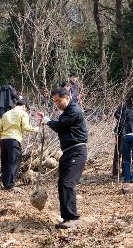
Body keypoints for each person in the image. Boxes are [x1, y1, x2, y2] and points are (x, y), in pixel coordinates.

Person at [38, 88, 87, 229]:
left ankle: (73, 218)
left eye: (58, 101)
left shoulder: (74, 110)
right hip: (67, 152)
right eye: (54, 102)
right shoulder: (66, 112)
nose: (57, 104)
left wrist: (48, 121)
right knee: (62, 184)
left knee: (68, 183)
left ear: (66, 97)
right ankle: (66, 218)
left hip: (77, 151)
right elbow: (61, 124)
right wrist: (46, 120)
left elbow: (61, 126)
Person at [0, 99, 38, 190]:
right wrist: (36, 129)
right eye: (26, 109)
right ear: (24, 106)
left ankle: (6, 184)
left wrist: (0, 139)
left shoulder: (6, 114)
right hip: (14, 139)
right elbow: (25, 127)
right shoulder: (22, 113)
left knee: (5, 163)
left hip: (4, 140)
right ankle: (10, 185)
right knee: (14, 162)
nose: (26, 110)